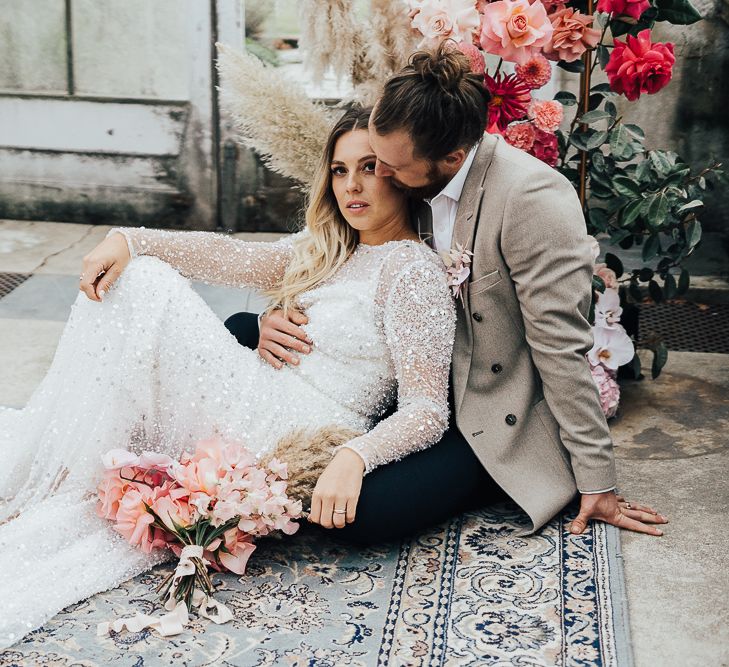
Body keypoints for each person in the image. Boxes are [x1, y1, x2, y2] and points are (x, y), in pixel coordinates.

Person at [0, 106, 457, 649]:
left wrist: (353, 456)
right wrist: (130, 238)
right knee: (138, 281)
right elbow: (230, 256)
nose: (352, 186)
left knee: (146, 287)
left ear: (401, 174)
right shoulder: (330, 250)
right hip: (259, 389)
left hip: (293, 426)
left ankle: (67, 476)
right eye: (338, 170)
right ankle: (65, 469)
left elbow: (428, 410)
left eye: (369, 168)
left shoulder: (412, 273)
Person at [227, 44, 668, 544]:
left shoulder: (533, 200)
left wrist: (598, 478)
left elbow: (560, 346)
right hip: (400, 376)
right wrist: (277, 315)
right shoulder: (410, 163)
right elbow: (338, 263)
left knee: (365, 514)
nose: (380, 178)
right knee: (240, 331)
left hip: (481, 405)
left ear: (453, 158)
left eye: (390, 167)